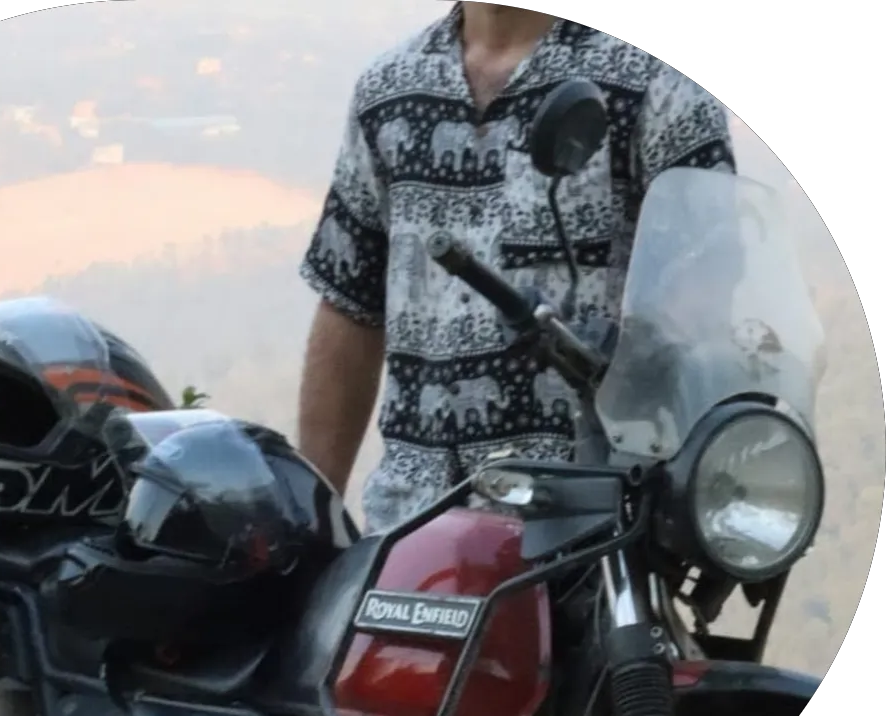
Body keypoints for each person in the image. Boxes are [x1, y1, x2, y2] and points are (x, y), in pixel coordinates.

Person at [296, 2, 736, 533]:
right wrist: (311, 520)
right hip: (412, 527)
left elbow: (707, 287)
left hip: (592, 525)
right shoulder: (388, 91)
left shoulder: (655, 82)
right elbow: (349, 305)